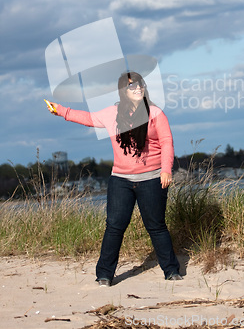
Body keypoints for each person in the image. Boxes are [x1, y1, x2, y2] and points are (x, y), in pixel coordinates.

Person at [46, 71, 181, 286]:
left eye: (140, 85)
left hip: (152, 178)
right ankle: (104, 275)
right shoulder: (112, 113)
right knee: (115, 226)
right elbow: (89, 119)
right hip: (121, 180)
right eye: (131, 86)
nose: (137, 89)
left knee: (156, 226)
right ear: (123, 91)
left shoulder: (155, 113)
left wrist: (166, 169)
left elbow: (166, 142)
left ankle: (171, 270)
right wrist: (62, 111)